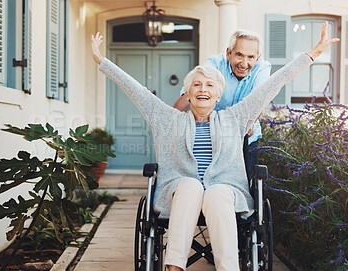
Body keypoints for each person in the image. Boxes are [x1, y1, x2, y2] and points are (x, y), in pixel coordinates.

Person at [91, 22, 338, 271]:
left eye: (210, 86)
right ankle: (174, 267)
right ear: (187, 94)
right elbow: (137, 91)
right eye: (197, 85)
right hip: (179, 190)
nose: (203, 90)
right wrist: (102, 61)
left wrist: (314, 53)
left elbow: (272, 85)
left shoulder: (234, 117)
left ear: (219, 96)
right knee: (189, 185)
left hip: (225, 191)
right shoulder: (167, 119)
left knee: (217, 192)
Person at [173, 30, 271, 178]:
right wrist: (172, 119)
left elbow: (258, 99)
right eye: (239, 55)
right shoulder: (214, 63)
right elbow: (193, 92)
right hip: (209, 137)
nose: (244, 63)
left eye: (251, 57)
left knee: (245, 185)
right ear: (228, 53)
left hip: (243, 140)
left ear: (257, 58)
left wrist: (249, 122)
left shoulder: (263, 68)